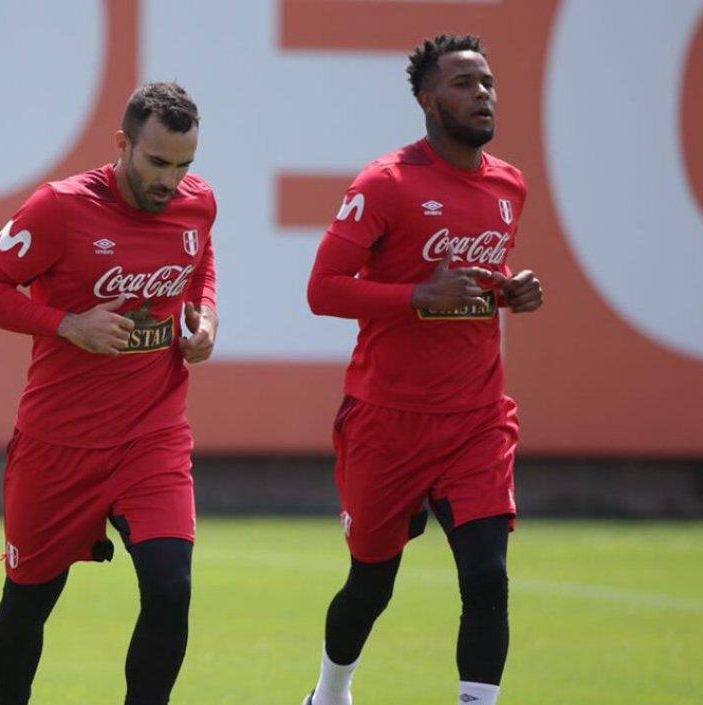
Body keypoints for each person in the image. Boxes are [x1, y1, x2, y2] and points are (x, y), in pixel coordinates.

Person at [300, 34, 544, 705]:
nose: (483, 93)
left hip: (476, 418)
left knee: (487, 576)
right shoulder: (386, 183)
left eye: (488, 81)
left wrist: (508, 289)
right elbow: (323, 288)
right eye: (464, 83)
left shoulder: (507, 184)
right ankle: (329, 692)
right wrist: (416, 297)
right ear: (427, 99)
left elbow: (472, 279)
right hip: (387, 420)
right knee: (371, 583)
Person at [0, 82, 218, 705]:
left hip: (151, 436)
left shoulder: (197, 203)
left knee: (170, 588)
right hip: (58, 444)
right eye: (158, 162)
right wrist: (67, 324)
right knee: (27, 602)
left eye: (184, 165)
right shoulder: (59, 207)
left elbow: (200, 265)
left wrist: (203, 317)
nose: (171, 180)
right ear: (123, 145)